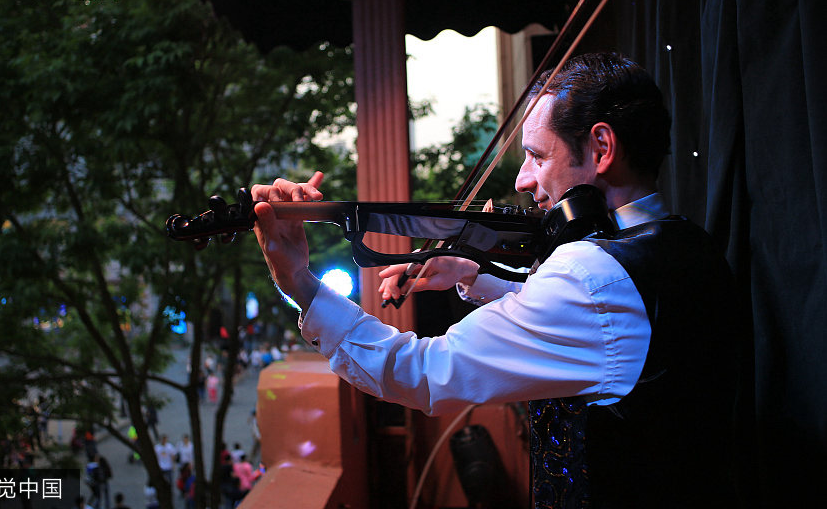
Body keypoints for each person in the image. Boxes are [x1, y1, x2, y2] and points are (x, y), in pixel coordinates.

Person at [250, 52, 743, 508]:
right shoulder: (684, 242)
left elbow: (422, 373)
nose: (522, 181)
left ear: (601, 147)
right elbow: (608, 333)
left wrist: (300, 285)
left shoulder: (586, 275)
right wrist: (478, 274)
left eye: (537, 156)